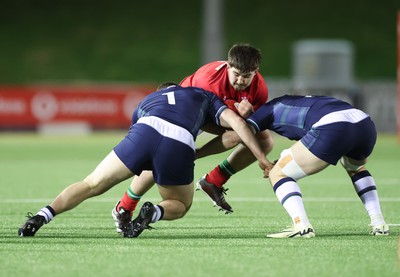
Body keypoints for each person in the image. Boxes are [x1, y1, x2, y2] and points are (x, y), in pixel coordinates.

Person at [18, 83, 272, 238]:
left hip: (145, 130)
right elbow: (236, 127)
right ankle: (153, 213)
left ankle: (42, 215)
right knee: (179, 204)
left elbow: (142, 150)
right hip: (180, 140)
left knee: (92, 183)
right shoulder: (202, 94)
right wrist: (260, 156)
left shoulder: (146, 100)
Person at [112, 44, 273, 232]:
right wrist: (240, 120)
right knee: (164, 155)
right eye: (236, 74)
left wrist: (247, 117)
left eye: (246, 76)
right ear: (228, 66)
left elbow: (248, 124)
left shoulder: (259, 88)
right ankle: (125, 205)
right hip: (187, 111)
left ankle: (214, 179)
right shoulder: (209, 81)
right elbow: (214, 116)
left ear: (256, 72)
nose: (240, 81)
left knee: (264, 140)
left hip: (221, 113)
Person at [245, 94, 390, 238]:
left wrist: (261, 159)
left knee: (277, 174)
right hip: (364, 123)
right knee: (355, 168)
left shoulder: (266, 110)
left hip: (332, 126)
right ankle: (379, 223)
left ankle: (301, 226)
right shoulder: (295, 100)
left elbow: (241, 132)